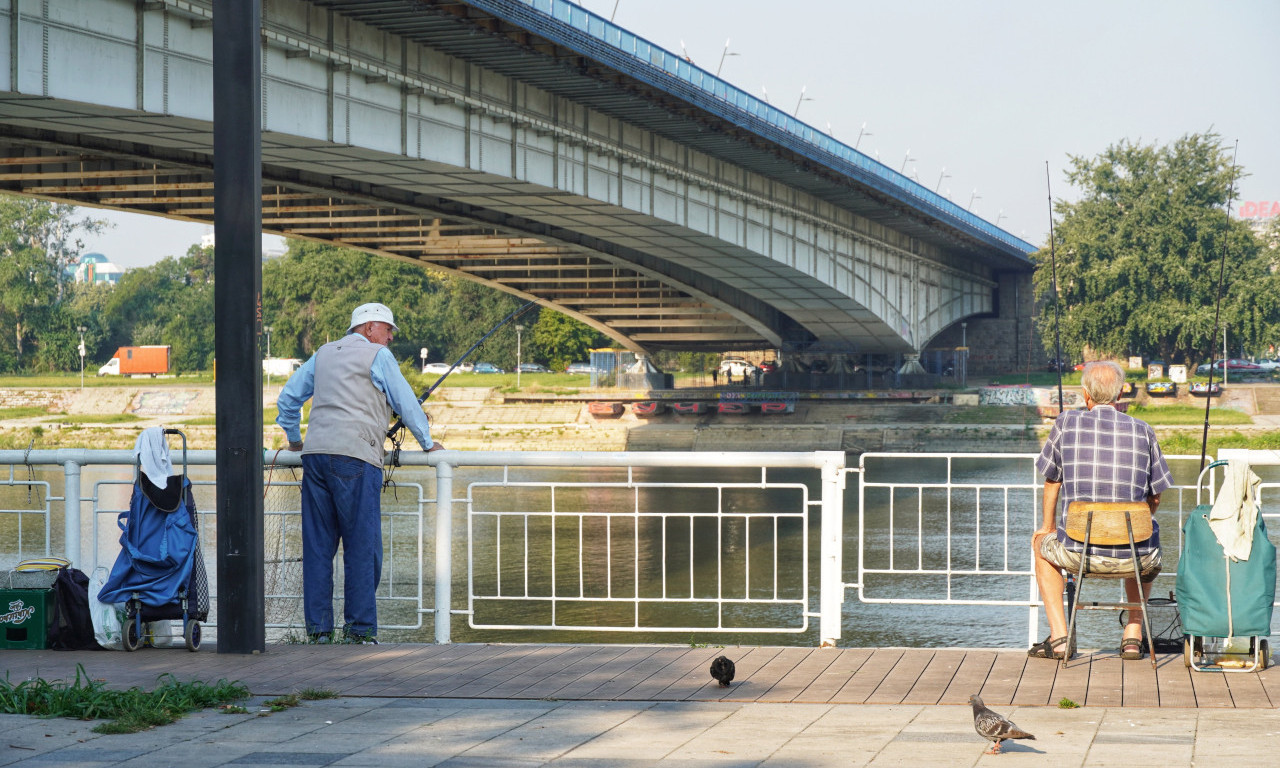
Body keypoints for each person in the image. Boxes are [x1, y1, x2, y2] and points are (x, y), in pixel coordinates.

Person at [276, 302, 442, 644]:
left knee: (319, 549)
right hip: (355, 457)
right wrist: (428, 443)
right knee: (362, 549)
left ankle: (319, 634)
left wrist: (295, 441)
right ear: (369, 328)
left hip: (316, 457)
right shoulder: (377, 356)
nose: (392, 336)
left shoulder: (322, 354)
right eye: (388, 329)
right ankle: (360, 633)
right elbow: (406, 403)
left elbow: (288, 399)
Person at [1029, 360, 1173, 660]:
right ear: (1120, 394)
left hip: (1078, 554)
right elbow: (1155, 496)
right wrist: (1132, 526)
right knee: (1146, 540)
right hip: (1135, 557)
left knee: (1039, 544)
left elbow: (1052, 481)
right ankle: (1133, 634)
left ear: (1085, 395)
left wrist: (1047, 526)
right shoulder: (1144, 431)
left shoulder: (1066, 423)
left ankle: (1059, 638)